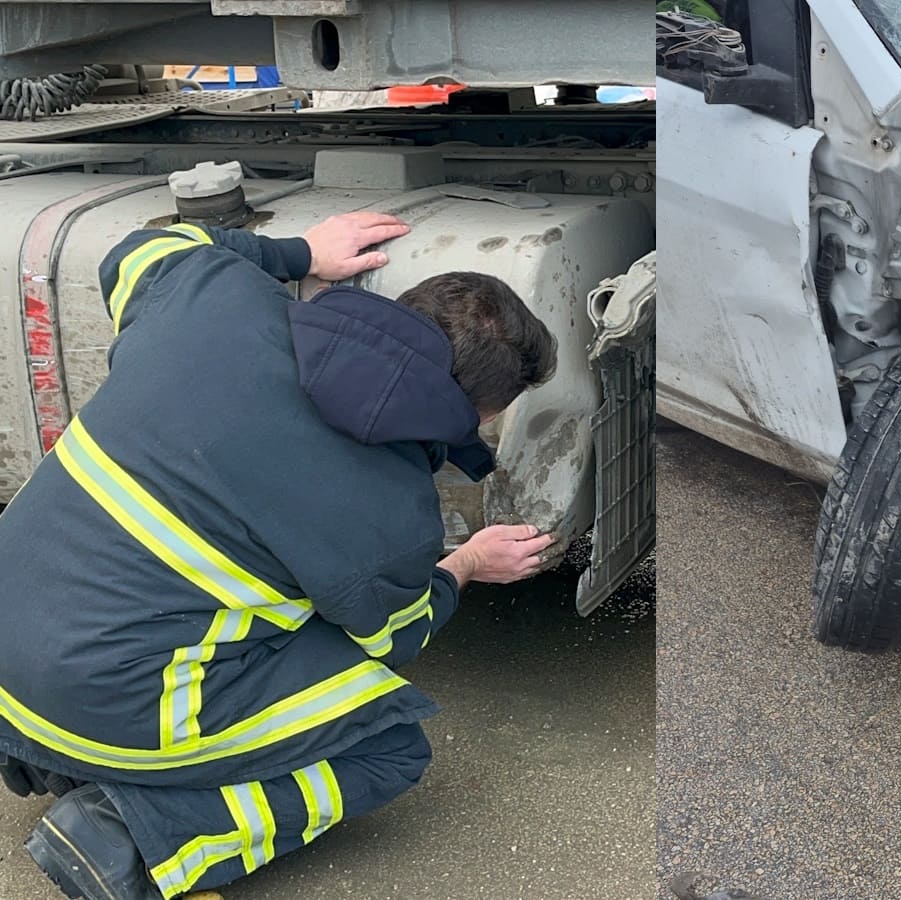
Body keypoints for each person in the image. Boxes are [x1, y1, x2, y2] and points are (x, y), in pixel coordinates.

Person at [0, 212, 559, 900]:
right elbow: (396, 633)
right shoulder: (391, 508)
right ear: (479, 412)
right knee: (387, 743)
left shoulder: (218, 296)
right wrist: (468, 562)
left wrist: (299, 252)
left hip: (9, 643)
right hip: (100, 695)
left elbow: (145, 245)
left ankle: (43, 755)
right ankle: (136, 829)